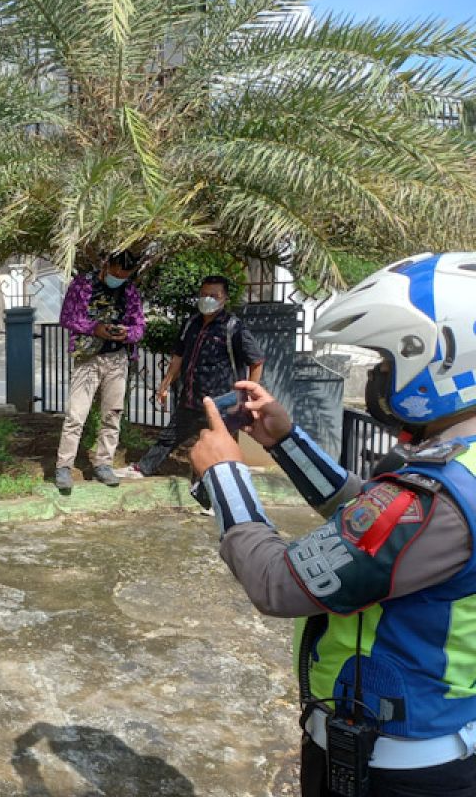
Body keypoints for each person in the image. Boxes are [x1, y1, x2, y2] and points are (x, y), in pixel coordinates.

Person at [190, 252, 476, 796]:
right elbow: (369, 516)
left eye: (388, 362)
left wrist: (225, 476)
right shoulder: (459, 471)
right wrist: (283, 440)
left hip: (394, 771)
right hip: (416, 749)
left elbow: (278, 582)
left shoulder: (443, 498)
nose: (377, 377)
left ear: (441, 358)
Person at [120, 275, 264, 478]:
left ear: (225, 298)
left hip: (220, 403)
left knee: (217, 449)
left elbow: (256, 360)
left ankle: (212, 491)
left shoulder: (234, 327)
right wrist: (165, 384)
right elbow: (178, 356)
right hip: (190, 397)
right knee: (169, 437)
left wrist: (247, 394)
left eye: (214, 295)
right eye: (204, 294)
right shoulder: (191, 323)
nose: (208, 299)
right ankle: (143, 469)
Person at [54, 249, 147, 489]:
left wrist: (128, 333)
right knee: (76, 415)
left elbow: (139, 327)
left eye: (125, 274)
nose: (119, 277)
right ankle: (63, 467)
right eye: (116, 272)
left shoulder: (130, 291)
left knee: (112, 415)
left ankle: (103, 464)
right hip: (88, 357)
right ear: (107, 265)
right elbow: (67, 317)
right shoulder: (83, 285)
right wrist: (94, 328)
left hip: (117, 358)